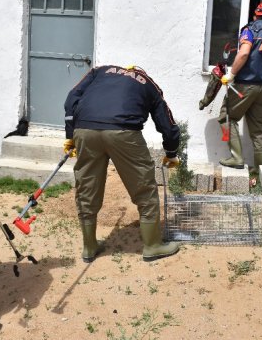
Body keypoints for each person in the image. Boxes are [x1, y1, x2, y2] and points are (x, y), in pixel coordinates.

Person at [63, 65, 181, 262]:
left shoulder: (99, 71)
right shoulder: (148, 83)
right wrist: (171, 152)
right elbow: (166, 121)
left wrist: (70, 135)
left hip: (85, 129)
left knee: (87, 187)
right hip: (123, 132)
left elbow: (71, 97)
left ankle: (89, 246)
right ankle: (152, 246)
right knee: (144, 188)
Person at [217, 2, 262, 174]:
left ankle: (236, 158)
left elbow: (245, 52)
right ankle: (259, 172)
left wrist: (231, 74)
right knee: (259, 130)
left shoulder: (249, 30)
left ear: (255, 15)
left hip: (244, 87)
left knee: (226, 118)